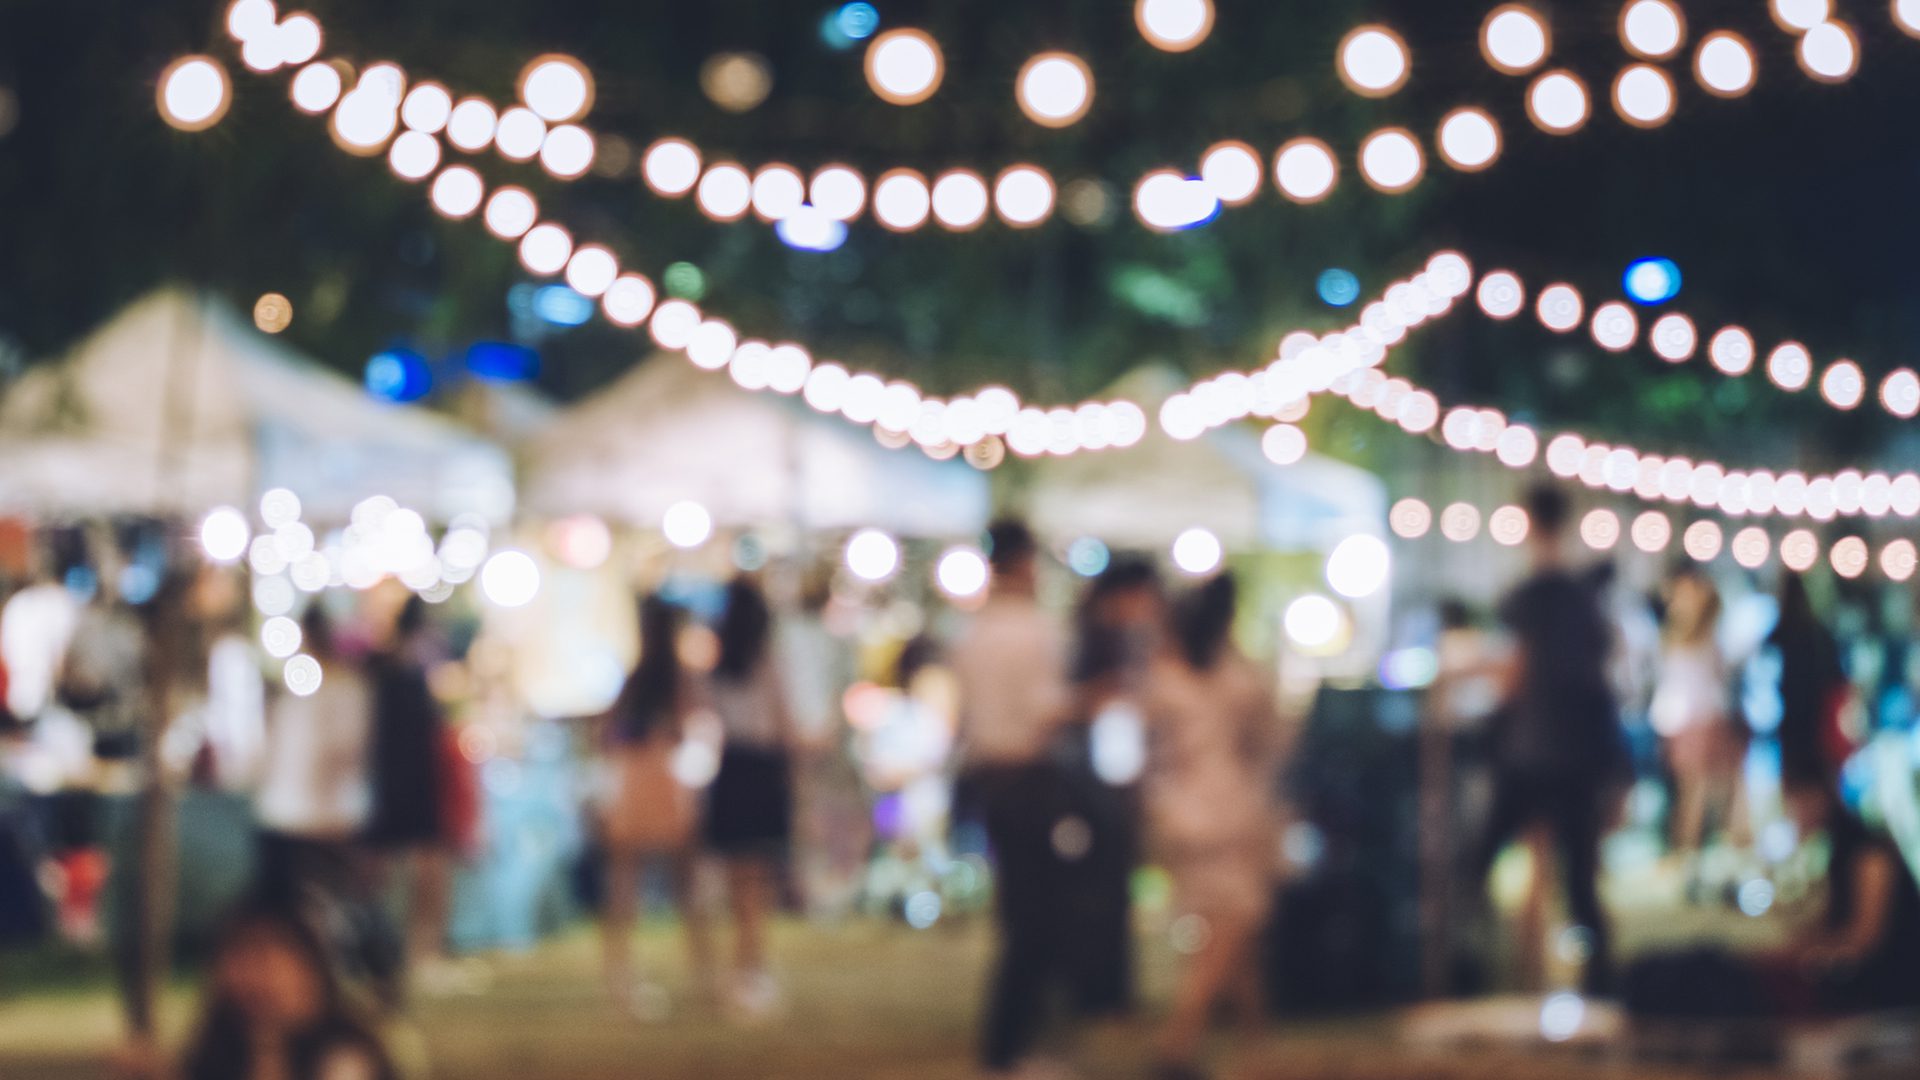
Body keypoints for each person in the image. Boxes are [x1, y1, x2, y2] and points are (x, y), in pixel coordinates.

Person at [1477, 485, 1628, 996]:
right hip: (1579, 750)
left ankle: (1480, 962)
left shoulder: (1530, 595)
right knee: (1579, 875)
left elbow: (1514, 671)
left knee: (1481, 858)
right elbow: (1604, 669)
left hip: (1532, 750)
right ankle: (1596, 978)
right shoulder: (1583, 597)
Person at [1626, 756, 1920, 1018]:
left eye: (1794, 801)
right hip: (1859, 982)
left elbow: (1863, 942)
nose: (1792, 814)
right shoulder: (1836, 851)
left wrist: (1799, 957)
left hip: (1888, 993)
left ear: (1819, 796)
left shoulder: (1870, 854)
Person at [949, 520, 1080, 1077]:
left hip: (988, 780)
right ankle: (1013, 1046)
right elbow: (1048, 712)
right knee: (1038, 918)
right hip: (1029, 778)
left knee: (1017, 911)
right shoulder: (1036, 631)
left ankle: (1010, 1042)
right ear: (1026, 563)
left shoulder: (971, 632)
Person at [1140, 574, 1280, 1080]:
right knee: (1233, 927)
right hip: (1230, 813)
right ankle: (1178, 1043)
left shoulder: (1164, 678)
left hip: (1179, 814)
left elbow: (1147, 753)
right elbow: (1269, 744)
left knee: (1227, 933)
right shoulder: (1240, 680)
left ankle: (1255, 1047)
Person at [598, 593, 713, 1020]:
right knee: (687, 883)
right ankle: (704, 975)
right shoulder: (679, 678)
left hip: (633, 782)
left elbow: (606, 733)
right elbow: (691, 728)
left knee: (625, 885)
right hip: (665, 781)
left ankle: (620, 979)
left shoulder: (634, 679)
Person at [1063, 556, 1164, 1019]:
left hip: (1118, 771)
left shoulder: (1135, 641)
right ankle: (1096, 990)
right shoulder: (1089, 638)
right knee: (1097, 886)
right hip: (1090, 777)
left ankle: (1109, 988)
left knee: (1115, 886)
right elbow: (1070, 701)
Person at [703, 577, 796, 1017]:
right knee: (756, 884)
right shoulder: (766, 664)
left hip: (730, 772)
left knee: (737, 882)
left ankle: (736, 972)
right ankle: (750, 971)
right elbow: (784, 727)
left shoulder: (717, 667)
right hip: (759, 772)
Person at [254, 606, 374, 933]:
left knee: (331, 902)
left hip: (327, 815)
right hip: (287, 813)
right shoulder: (300, 689)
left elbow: (348, 749)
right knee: (288, 909)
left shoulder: (344, 689)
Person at [178, 904, 396, 1080]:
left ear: (311, 971)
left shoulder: (345, 1057)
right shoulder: (223, 1047)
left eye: (262, 957)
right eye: (237, 955)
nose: (247, 976)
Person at [361, 596, 452, 1000]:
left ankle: (413, 953)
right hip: (399, 783)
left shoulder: (390, 672)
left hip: (396, 783)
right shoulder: (396, 674)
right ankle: (399, 953)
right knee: (407, 876)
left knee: (413, 873)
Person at [1650, 569, 1743, 859]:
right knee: (1696, 792)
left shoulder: (1683, 637)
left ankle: (1689, 848)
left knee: (1695, 792)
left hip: (1691, 720)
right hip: (1697, 720)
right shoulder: (1697, 639)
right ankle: (1688, 849)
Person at [1769, 574, 1848, 780]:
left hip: (1789, 725)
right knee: (1818, 785)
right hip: (1818, 725)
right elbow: (1838, 681)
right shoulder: (1820, 634)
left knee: (1796, 784)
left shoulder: (1778, 634)